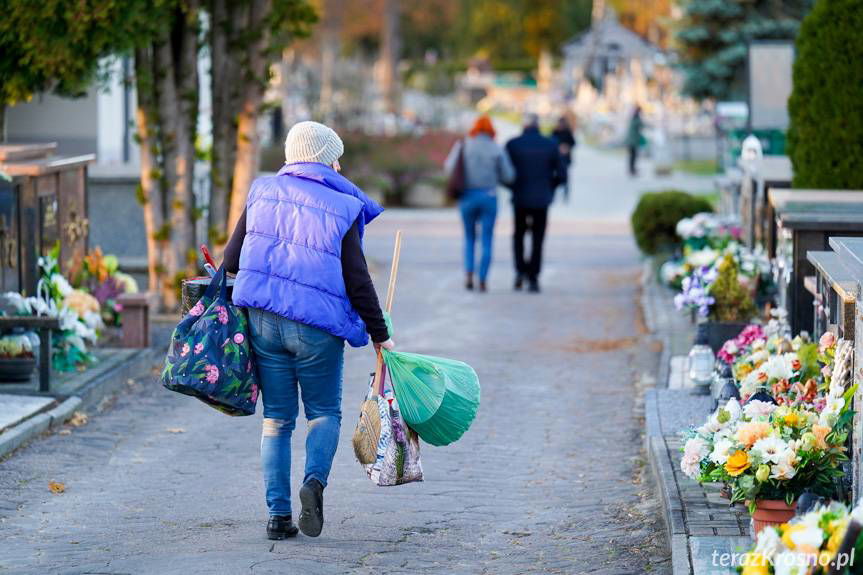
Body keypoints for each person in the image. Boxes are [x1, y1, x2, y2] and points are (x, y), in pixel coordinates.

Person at [223, 121, 395, 541]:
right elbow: (358, 279)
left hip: (264, 322)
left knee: (277, 420)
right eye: (337, 156)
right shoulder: (342, 206)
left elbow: (230, 260)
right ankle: (313, 484)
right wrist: (380, 333)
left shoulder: (261, 192)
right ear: (326, 159)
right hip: (317, 328)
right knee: (323, 414)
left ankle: (277, 517)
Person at [444, 115, 514, 292]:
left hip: (467, 197)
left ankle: (468, 273)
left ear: (474, 129)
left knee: (469, 237)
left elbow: (448, 168)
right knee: (487, 239)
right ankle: (482, 279)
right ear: (491, 130)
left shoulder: (464, 145)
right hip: (489, 196)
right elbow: (509, 176)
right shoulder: (496, 148)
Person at [505, 114, 567, 293]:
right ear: (538, 126)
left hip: (520, 198)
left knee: (518, 235)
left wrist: (512, 187)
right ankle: (533, 278)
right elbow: (562, 175)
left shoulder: (513, 144)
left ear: (523, 126)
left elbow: (503, 172)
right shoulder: (550, 144)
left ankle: (519, 271)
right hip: (542, 199)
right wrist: (550, 187)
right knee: (538, 239)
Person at [551, 115, 576, 201]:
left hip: (565, 158)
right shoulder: (555, 131)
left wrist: (566, 147)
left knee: (565, 175)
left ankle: (566, 193)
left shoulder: (567, 132)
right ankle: (553, 192)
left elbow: (573, 143)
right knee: (554, 175)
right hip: (556, 157)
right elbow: (550, 142)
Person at [626, 106, 644, 176]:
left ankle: (632, 169)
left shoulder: (633, 118)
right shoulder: (637, 119)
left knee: (632, 156)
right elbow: (642, 125)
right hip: (633, 141)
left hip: (630, 141)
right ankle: (632, 170)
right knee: (634, 156)